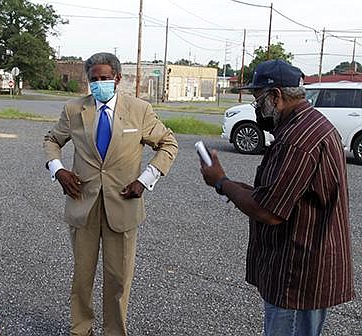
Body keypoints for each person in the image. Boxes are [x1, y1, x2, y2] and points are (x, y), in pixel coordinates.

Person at [200, 60, 355, 335]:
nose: (256, 108)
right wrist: (231, 184)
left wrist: (221, 182)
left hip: (297, 274)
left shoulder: (297, 140)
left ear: (276, 96)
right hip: (306, 269)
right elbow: (278, 194)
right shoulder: (308, 125)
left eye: (258, 99)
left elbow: (268, 210)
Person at [44, 52, 178, 336]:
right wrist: (58, 170)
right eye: (94, 79)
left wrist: (146, 179)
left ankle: (114, 331)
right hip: (84, 205)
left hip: (124, 204)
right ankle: (81, 329)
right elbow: (52, 140)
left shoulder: (139, 110)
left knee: (118, 279)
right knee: (82, 276)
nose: (99, 83)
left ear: (117, 79)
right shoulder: (74, 110)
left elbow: (168, 144)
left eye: (105, 78)